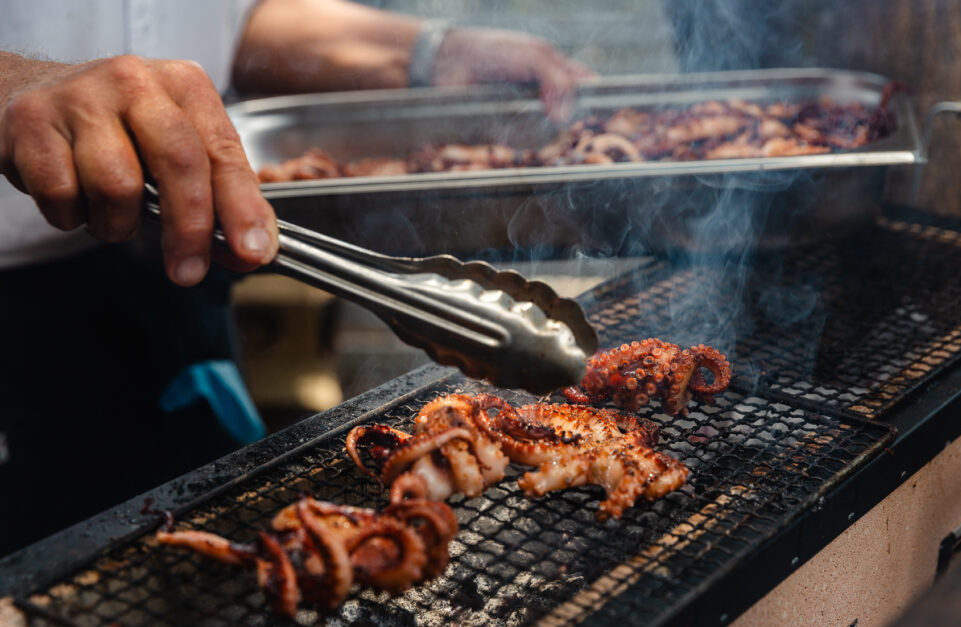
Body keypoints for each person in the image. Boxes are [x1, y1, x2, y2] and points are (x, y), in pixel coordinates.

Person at [0, 0, 594, 556]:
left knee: (200, 549)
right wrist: (14, 82)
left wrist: (432, 50)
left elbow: (236, 18)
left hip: (173, 263)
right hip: (14, 305)